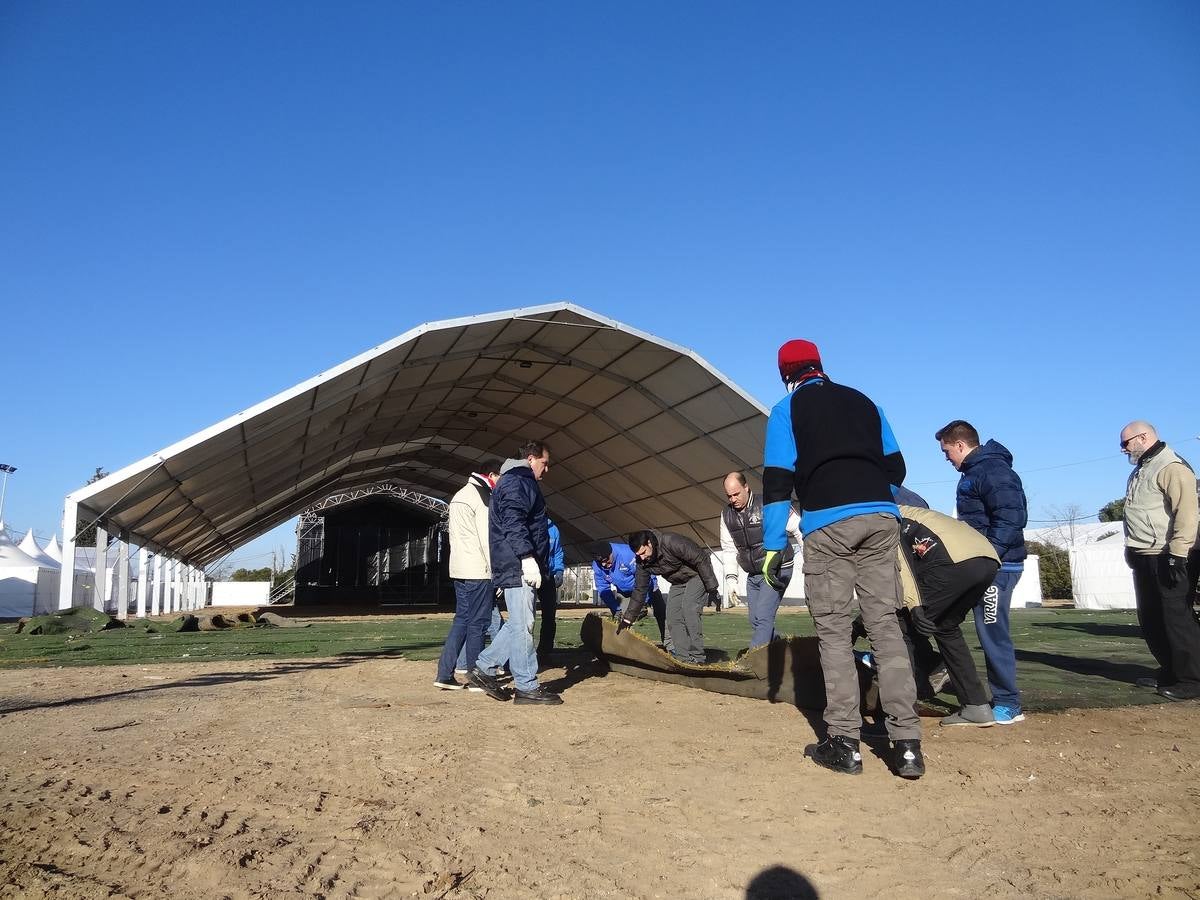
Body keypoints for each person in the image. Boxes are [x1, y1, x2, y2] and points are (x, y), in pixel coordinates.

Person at [762, 339, 923, 779]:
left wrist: (774, 543)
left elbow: (777, 481)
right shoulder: (864, 400)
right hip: (880, 516)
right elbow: (897, 468)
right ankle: (907, 744)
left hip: (829, 523)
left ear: (786, 375)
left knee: (833, 631)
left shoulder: (785, 410)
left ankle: (844, 742)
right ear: (820, 365)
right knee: (885, 625)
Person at [935, 420, 1028, 724]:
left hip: (998, 567)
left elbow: (1012, 517)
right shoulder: (977, 472)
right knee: (943, 615)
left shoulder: (993, 472)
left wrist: (990, 556)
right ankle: (938, 669)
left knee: (992, 629)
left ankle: (1007, 702)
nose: (946, 458)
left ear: (960, 445)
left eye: (947, 451)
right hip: (984, 563)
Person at [468, 441, 562, 705]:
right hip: (517, 564)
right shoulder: (517, 482)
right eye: (545, 463)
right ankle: (526, 686)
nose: (547, 469)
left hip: (517, 564)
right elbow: (513, 522)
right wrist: (527, 557)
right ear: (531, 459)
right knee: (523, 626)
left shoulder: (517, 482)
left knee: (518, 622)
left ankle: (484, 668)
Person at [895, 504, 1000, 726]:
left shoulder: (881, 517)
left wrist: (914, 606)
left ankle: (901, 716)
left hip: (951, 561)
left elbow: (900, 564)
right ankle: (976, 707)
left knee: (901, 627)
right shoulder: (909, 511)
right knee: (946, 627)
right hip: (987, 558)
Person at [1119, 421, 1200, 701]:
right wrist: (1131, 548)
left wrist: (1178, 553)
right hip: (1144, 554)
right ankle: (1170, 671)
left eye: (1126, 442)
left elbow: (1187, 512)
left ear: (1143, 437)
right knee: (1151, 617)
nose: (1123, 449)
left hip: (1169, 555)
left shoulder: (1171, 466)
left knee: (1176, 618)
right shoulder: (1142, 469)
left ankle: (1193, 679)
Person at [433, 459, 503, 690]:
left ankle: (444, 675)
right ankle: (476, 677)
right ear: (492, 475)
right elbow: (487, 539)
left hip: (460, 568)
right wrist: (497, 570)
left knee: (461, 620)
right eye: (501, 477)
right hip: (479, 570)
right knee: (479, 623)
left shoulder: (460, 495)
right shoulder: (481, 497)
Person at [720, 471, 801, 648]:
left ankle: (753, 661)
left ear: (746, 487)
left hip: (777, 567)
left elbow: (798, 528)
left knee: (764, 616)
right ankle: (779, 647)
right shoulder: (726, 515)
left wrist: (811, 559)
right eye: (729, 496)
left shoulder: (768, 504)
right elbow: (728, 548)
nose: (733, 499)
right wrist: (731, 579)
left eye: (736, 494)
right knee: (754, 619)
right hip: (753, 573)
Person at [620, 530, 719, 665]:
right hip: (678, 582)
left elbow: (700, 558)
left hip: (697, 575)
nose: (642, 557)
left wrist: (712, 588)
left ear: (649, 543)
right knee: (672, 618)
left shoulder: (671, 541)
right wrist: (628, 619)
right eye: (638, 555)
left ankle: (698, 657)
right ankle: (683, 658)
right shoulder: (642, 562)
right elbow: (640, 590)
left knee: (689, 609)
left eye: (643, 552)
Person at [589, 540, 670, 650]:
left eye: (606, 560)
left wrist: (643, 602)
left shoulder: (628, 554)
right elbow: (603, 589)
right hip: (624, 591)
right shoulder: (597, 566)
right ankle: (624, 649)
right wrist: (616, 608)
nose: (604, 564)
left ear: (611, 553)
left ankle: (671, 646)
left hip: (648, 586)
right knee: (622, 620)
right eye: (600, 563)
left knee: (662, 614)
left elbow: (644, 577)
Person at [536, 518, 565, 662]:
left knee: (549, 615)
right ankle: (524, 654)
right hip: (531, 573)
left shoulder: (553, 528)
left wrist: (559, 570)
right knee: (526, 616)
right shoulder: (528, 524)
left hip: (548, 575)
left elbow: (558, 552)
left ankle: (544, 652)